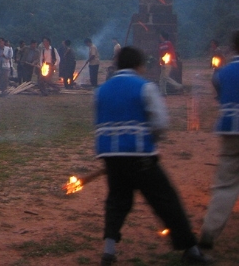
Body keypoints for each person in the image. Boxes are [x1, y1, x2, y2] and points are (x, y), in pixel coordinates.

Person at [94, 46, 211, 265]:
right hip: (141, 157)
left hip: (111, 157)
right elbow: (160, 123)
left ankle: (108, 251)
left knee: (117, 203)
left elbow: (99, 123)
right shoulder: (145, 87)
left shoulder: (101, 90)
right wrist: (151, 141)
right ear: (139, 65)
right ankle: (192, 250)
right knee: (166, 201)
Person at [199, 30, 239, 251]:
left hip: (230, 129)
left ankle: (209, 231)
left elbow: (219, 90)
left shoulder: (222, 73)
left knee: (225, 185)